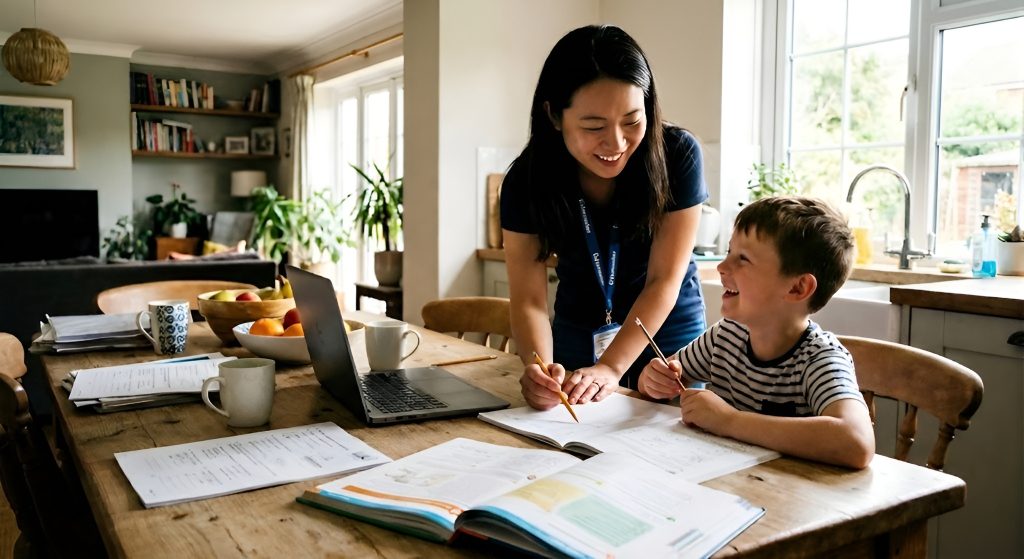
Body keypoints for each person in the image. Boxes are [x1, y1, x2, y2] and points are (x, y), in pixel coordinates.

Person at [501, 24, 708, 410]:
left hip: (667, 334)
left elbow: (665, 279)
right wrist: (540, 367)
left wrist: (612, 366)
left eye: (632, 120)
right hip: (579, 332)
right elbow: (529, 299)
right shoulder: (525, 181)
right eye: (594, 126)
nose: (616, 143)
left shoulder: (678, 155)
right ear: (554, 115)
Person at [638, 196, 875, 469]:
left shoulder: (820, 359)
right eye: (728, 252)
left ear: (797, 288)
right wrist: (653, 380)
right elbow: (665, 377)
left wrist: (728, 421)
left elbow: (856, 443)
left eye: (743, 259)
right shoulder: (725, 336)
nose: (722, 267)